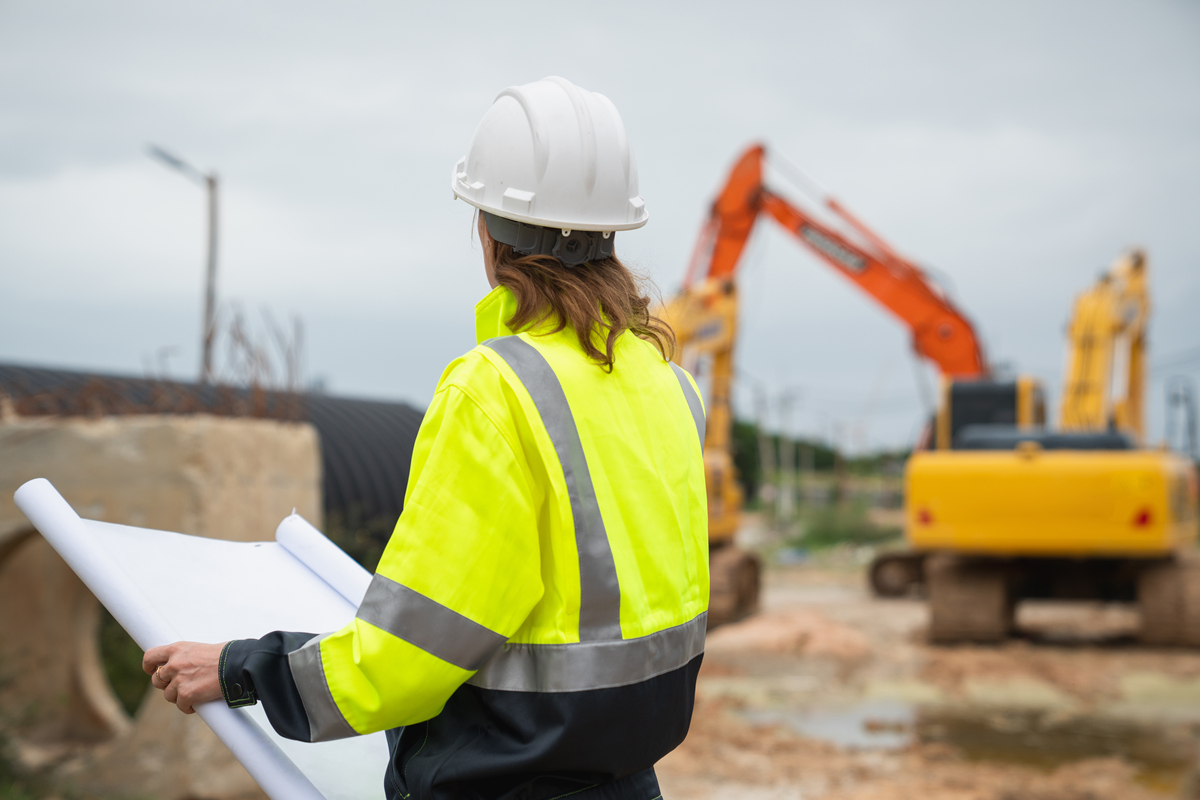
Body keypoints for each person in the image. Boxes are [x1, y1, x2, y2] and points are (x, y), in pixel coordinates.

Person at [142, 76, 709, 800]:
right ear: (613, 234)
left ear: (487, 230)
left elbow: (411, 652)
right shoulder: (670, 386)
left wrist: (241, 668)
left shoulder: (495, 389)